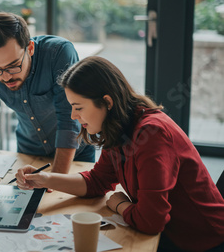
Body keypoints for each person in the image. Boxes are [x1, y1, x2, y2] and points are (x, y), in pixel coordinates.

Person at [15, 56, 224, 251]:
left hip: (200, 242)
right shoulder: (121, 125)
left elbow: (151, 222)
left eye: (78, 107)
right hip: (172, 234)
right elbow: (97, 181)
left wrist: (120, 205)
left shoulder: (152, 135)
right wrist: (45, 179)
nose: (73, 115)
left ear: (107, 102)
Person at [0, 12, 95, 194]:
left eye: (13, 66)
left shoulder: (59, 53)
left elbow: (69, 121)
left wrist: (55, 180)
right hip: (28, 153)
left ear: (30, 48)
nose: (5, 76)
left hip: (75, 156)